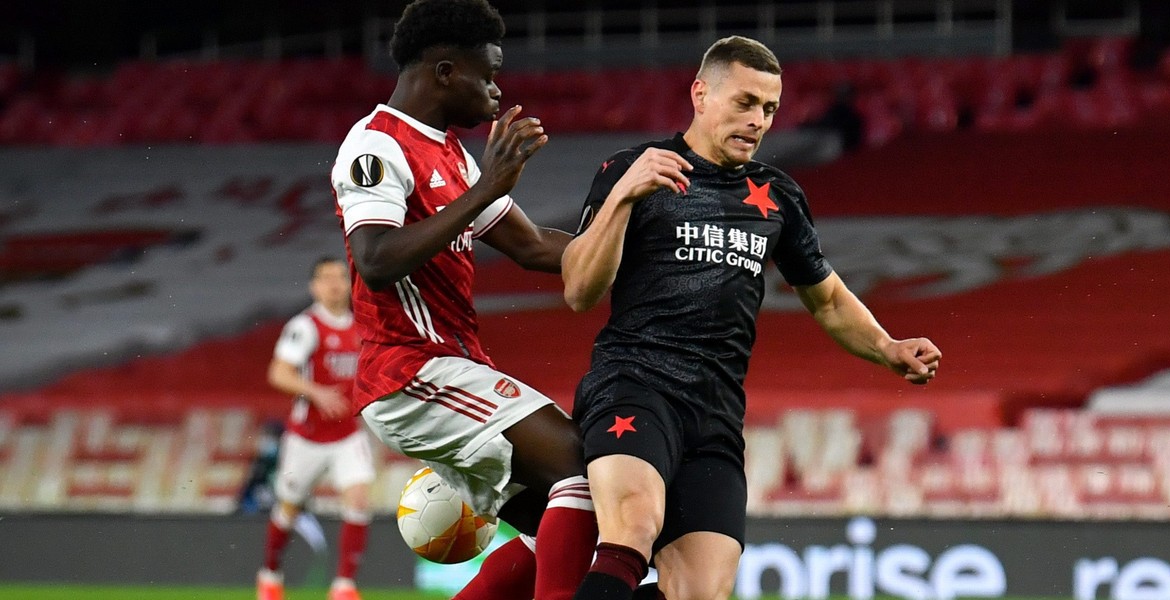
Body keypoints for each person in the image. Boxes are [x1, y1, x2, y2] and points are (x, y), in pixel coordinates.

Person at [562, 36, 942, 600]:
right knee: (633, 527)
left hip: (715, 413)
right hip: (634, 388)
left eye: (769, 108)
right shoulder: (633, 170)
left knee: (701, 592)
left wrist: (887, 347)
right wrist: (621, 198)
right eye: (745, 102)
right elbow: (578, 291)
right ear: (700, 94)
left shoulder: (777, 195)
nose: (758, 121)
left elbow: (827, 298)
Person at [330, 2, 596, 600]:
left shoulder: (451, 154)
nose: (498, 91)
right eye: (489, 74)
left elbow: (532, 246)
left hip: (451, 366)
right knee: (578, 461)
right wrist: (484, 190)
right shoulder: (376, 146)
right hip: (408, 371)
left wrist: (643, 254)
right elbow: (376, 261)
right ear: (446, 72)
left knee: (580, 521)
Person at [256, 257, 373, 600]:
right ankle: (270, 574)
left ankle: (344, 586)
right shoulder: (305, 326)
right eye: (326, 277)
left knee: (359, 499)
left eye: (341, 276)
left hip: (347, 433)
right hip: (307, 436)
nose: (335, 283)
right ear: (314, 287)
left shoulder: (363, 326)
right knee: (289, 508)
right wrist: (316, 392)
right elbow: (278, 373)